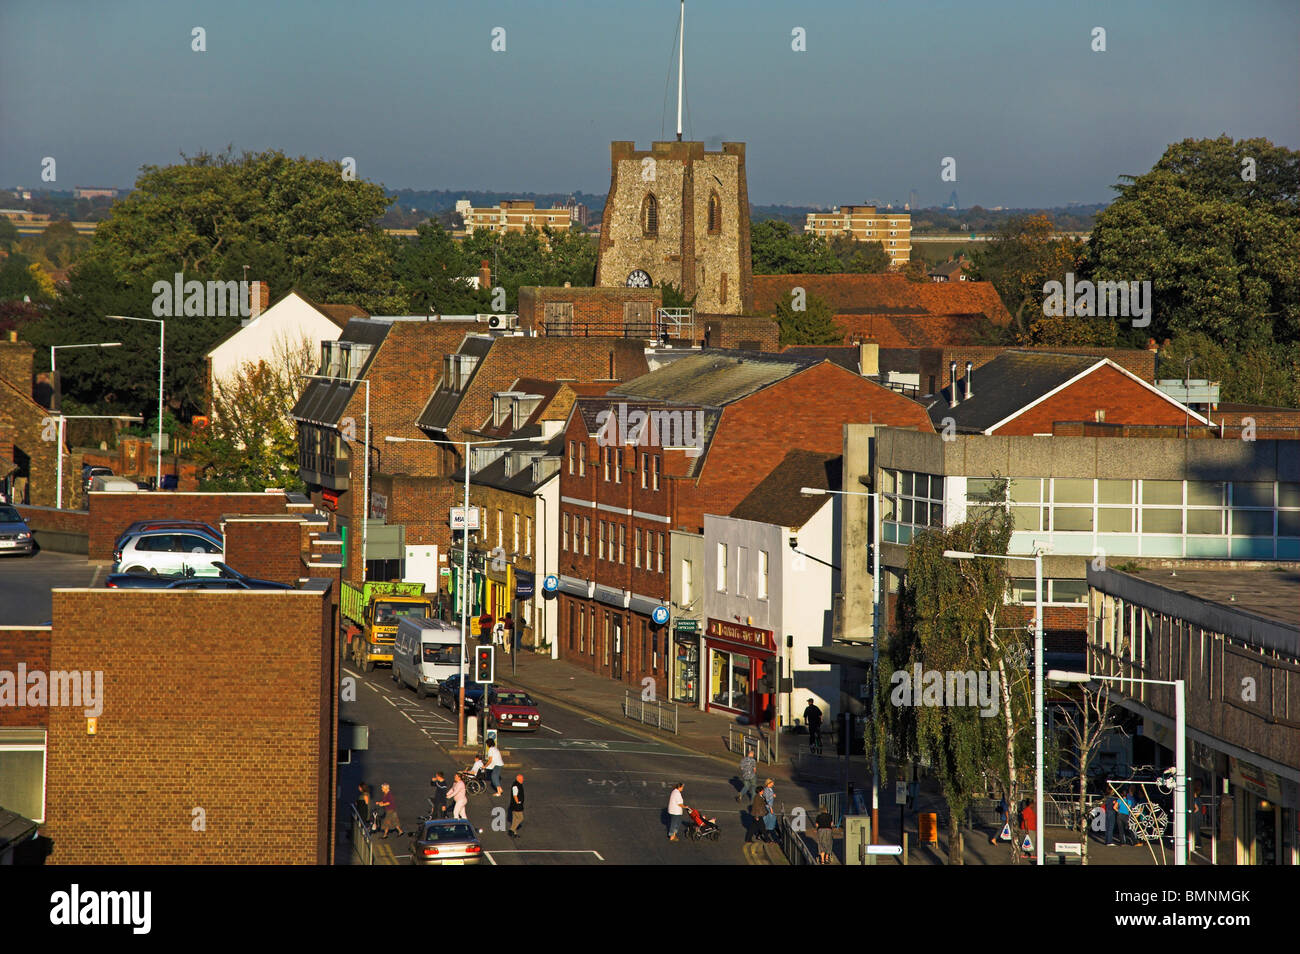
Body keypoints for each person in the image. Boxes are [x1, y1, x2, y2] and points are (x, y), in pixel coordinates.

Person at [1189, 779, 1204, 853]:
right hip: (1198, 816)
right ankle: (1197, 843)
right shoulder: (1198, 798)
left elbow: (1196, 808)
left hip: (1196, 816)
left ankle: (1198, 843)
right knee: (1196, 829)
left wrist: (1192, 813)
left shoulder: (1195, 799)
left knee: (1196, 830)